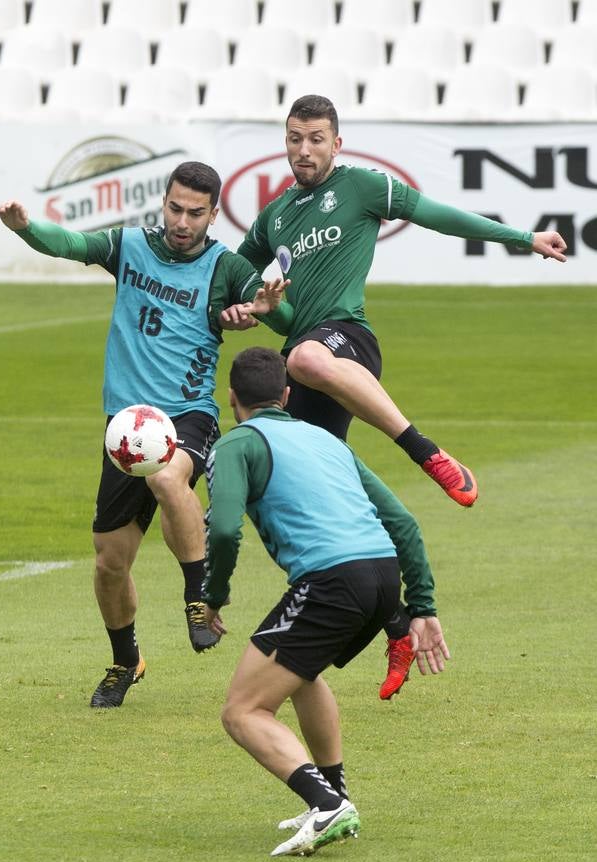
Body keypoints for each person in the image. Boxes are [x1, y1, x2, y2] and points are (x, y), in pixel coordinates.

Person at [224, 93, 568, 697]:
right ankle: (403, 620)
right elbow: (240, 278)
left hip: (345, 345)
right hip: (305, 368)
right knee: (322, 494)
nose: (303, 149)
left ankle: (425, 450)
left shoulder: (361, 186)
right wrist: (248, 307)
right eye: (294, 137)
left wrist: (522, 237)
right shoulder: (274, 216)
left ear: (337, 142)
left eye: (315, 138)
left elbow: (440, 215)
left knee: (306, 354)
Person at [0, 162, 286, 709]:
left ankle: (198, 597)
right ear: (164, 204)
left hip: (187, 415)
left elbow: (276, 311)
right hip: (127, 429)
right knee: (109, 563)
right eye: (174, 208)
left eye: (194, 212)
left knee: (171, 479)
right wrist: (26, 228)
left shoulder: (226, 267)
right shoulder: (129, 245)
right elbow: (72, 241)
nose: (181, 220)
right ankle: (126, 661)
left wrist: (265, 310)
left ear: (213, 214)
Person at [202, 347, 450, 857]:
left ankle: (325, 804)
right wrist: (420, 604)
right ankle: (335, 794)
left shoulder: (235, 445)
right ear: (287, 395)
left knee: (243, 712)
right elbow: (402, 522)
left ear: (231, 399)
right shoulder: (323, 438)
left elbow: (223, 528)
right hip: (382, 576)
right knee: (301, 674)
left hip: (332, 581)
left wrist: (213, 596)